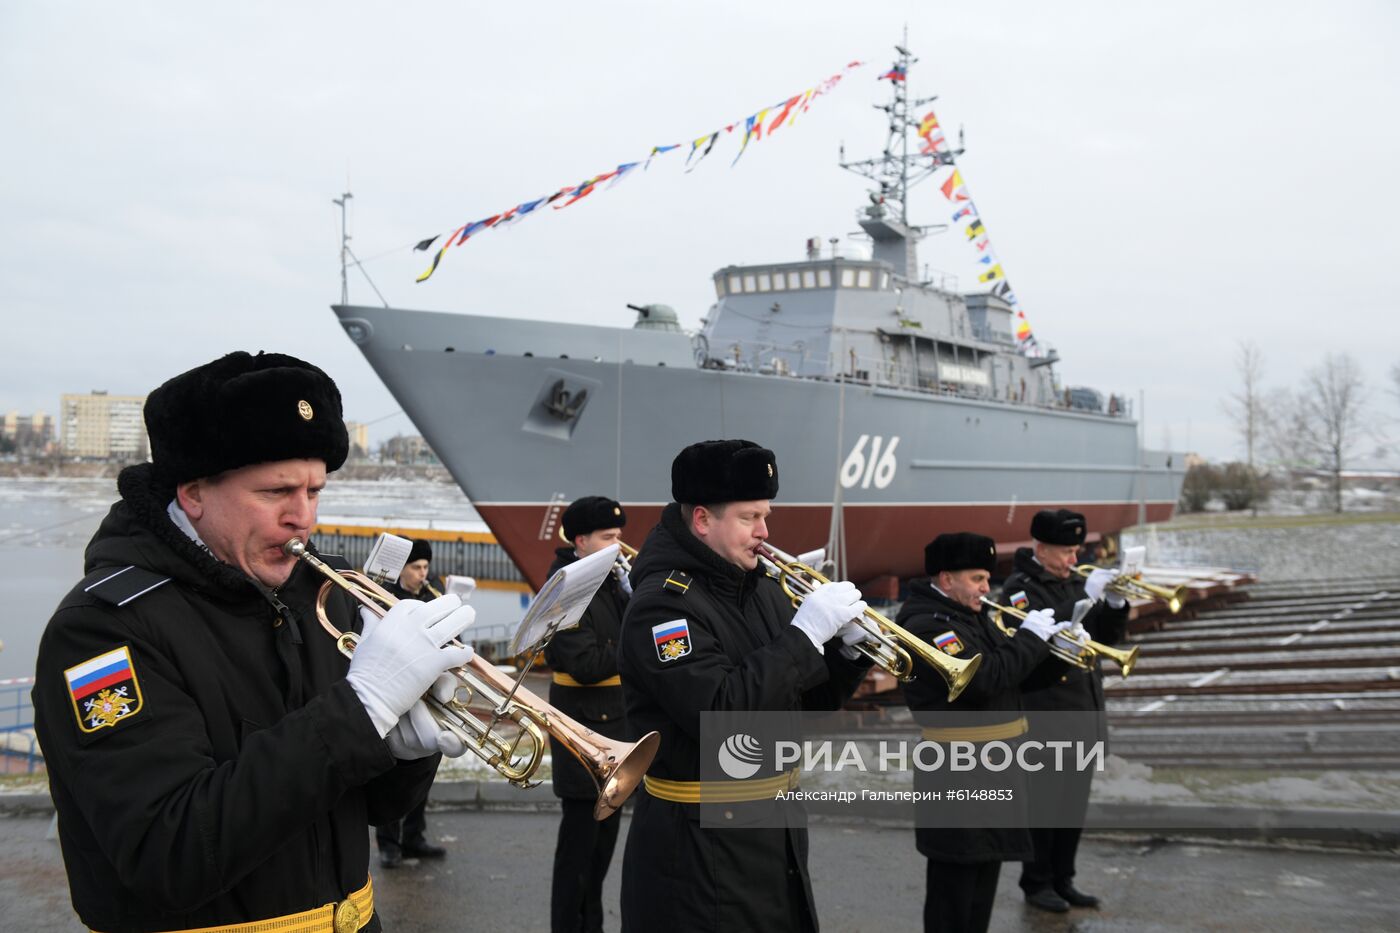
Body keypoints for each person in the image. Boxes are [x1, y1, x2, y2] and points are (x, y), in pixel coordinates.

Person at [32, 351, 476, 933]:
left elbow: (365, 808)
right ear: (193, 493)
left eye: (315, 491)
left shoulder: (321, 592)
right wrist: (361, 709)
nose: (304, 518)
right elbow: (170, 855)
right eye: (276, 492)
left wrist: (402, 753)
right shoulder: (101, 630)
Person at [617, 439, 873, 932]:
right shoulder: (663, 606)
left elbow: (804, 700)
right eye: (749, 517)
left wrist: (847, 652)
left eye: (766, 515)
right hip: (699, 853)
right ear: (702, 520)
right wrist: (806, 635)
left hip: (771, 838)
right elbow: (721, 713)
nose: (765, 532)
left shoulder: (757, 586)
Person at [896, 533, 1072, 933]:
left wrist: (1053, 647)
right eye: (976, 578)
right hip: (958, 772)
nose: (986, 588)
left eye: (986, 579)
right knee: (954, 893)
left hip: (993, 768)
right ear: (946, 580)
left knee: (982, 884)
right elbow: (985, 679)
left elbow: (1015, 678)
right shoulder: (927, 626)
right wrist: (1029, 639)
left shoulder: (970, 618)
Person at [1000, 509, 1130, 913]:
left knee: (1073, 805)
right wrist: (1086, 596)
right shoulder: (1020, 589)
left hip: (1084, 708)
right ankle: (1036, 882)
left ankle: (1063, 878)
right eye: (1066, 551)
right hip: (1046, 713)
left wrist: (1113, 602)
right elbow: (1042, 640)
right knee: (1044, 805)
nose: (1074, 559)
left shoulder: (1074, 580)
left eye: (1077, 550)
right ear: (1041, 548)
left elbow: (1105, 638)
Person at [544, 496, 631, 933]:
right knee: (579, 849)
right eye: (609, 538)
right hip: (580, 724)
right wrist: (633, 646)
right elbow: (586, 663)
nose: (620, 547)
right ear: (580, 540)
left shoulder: (613, 581)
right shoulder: (566, 587)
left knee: (601, 853)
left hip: (616, 723)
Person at [374, 538, 448, 868]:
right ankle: (389, 844)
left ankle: (414, 838)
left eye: (426, 568)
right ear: (403, 569)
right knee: (392, 768)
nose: (423, 574)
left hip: (427, 693)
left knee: (424, 768)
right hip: (394, 691)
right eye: (416, 567)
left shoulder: (433, 598)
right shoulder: (386, 599)